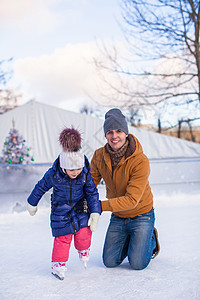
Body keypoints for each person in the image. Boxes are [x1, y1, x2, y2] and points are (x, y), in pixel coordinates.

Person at [27, 127, 101, 280]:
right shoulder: (54, 174)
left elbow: (92, 192)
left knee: (84, 231)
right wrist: (32, 202)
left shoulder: (85, 174)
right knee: (63, 237)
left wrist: (95, 211)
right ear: (63, 166)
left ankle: (83, 249)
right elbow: (41, 187)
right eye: (71, 169)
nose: (75, 172)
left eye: (78, 168)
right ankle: (58, 264)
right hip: (60, 210)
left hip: (81, 208)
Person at [90, 108, 160, 270]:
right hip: (119, 216)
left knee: (137, 264)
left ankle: (150, 237)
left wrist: (98, 206)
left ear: (126, 133)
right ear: (105, 135)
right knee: (110, 262)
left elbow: (132, 200)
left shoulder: (140, 160)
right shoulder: (99, 156)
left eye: (119, 131)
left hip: (142, 214)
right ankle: (133, 240)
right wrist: (71, 195)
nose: (114, 136)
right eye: (110, 132)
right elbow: (90, 183)